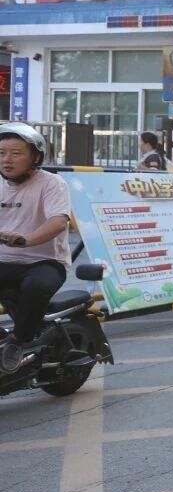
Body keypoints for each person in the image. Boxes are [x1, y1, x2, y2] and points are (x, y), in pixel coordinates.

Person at [0, 125, 71, 375]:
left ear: (35, 157)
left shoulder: (52, 183)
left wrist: (27, 240)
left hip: (44, 261)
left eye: (16, 153)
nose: (7, 159)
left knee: (36, 286)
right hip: (4, 261)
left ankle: (18, 341)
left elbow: (58, 222)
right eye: (1, 153)